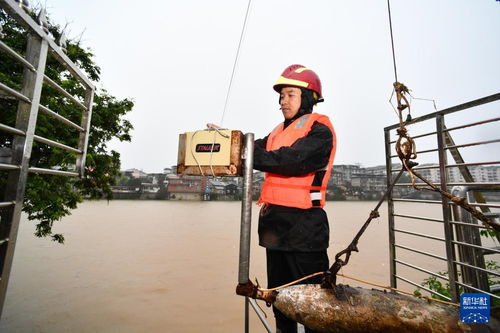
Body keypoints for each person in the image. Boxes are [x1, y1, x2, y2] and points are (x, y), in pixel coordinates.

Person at [253, 64, 337, 333]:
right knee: (280, 298)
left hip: (305, 228)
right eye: (281, 96)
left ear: (308, 98)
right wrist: (228, 141)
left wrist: (244, 154)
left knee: (314, 303)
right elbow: (252, 148)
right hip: (274, 226)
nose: (282, 102)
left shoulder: (319, 130)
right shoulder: (277, 132)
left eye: (290, 95)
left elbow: (292, 161)